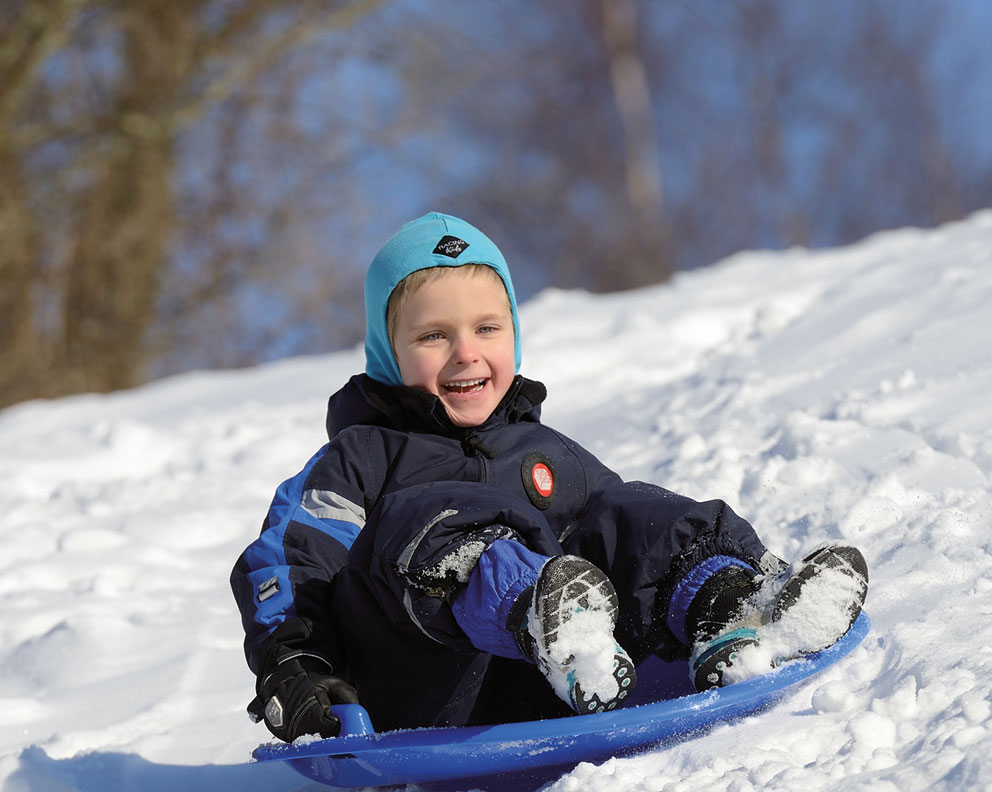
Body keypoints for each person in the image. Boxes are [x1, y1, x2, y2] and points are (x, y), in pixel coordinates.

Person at [231, 212, 868, 743]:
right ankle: (538, 613)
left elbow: (625, 540)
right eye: (433, 336)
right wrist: (296, 664)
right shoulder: (362, 457)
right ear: (386, 352)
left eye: (487, 327)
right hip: (425, 692)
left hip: (566, 687)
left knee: (627, 510)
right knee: (424, 518)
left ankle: (732, 611)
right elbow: (289, 563)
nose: (466, 353)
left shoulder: (545, 449)